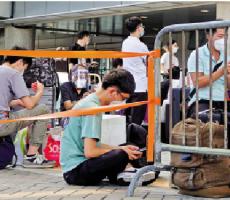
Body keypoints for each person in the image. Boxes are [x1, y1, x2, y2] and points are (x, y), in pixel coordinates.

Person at [61, 69, 145, 186]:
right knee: (121, 154)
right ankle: (122, 173)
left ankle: (123, 171)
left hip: (76, 167)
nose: (122, 102)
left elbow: (95, 146)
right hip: (76, 172)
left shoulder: (91, 102)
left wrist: (122, 148)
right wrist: (121, 151)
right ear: (113, 92)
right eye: (123, 98)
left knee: (126, 148)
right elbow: (90, 152)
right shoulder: (92, 109)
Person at [0, 46, 55, 168]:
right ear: (20, 61)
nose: (23, 72)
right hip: (3, 123)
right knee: (43, 110)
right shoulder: (13, 73)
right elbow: (30, 104)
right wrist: (40, 92)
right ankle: (31, 156)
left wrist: (18, 102)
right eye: (25, 68)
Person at [187, 28, 230, 117]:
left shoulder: (227, 56)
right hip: (202, 100)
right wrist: (221, 72)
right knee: (208, 119)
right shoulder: (197, 54)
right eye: (220, 36)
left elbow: (228, 85)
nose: (223, 40)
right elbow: (198, 82)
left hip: (223, 101)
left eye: (226, 37)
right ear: (208, 36)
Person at [122, 16, 149, 125]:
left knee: (127, 118)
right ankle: (135, 141)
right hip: (141, 86)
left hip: (129, 85)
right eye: (142, 26)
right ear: (138, 28)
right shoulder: (140, 45)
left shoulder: (125, 43)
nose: (143, 28)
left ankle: (126, 139)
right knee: (137, 120)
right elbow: (149, 63)